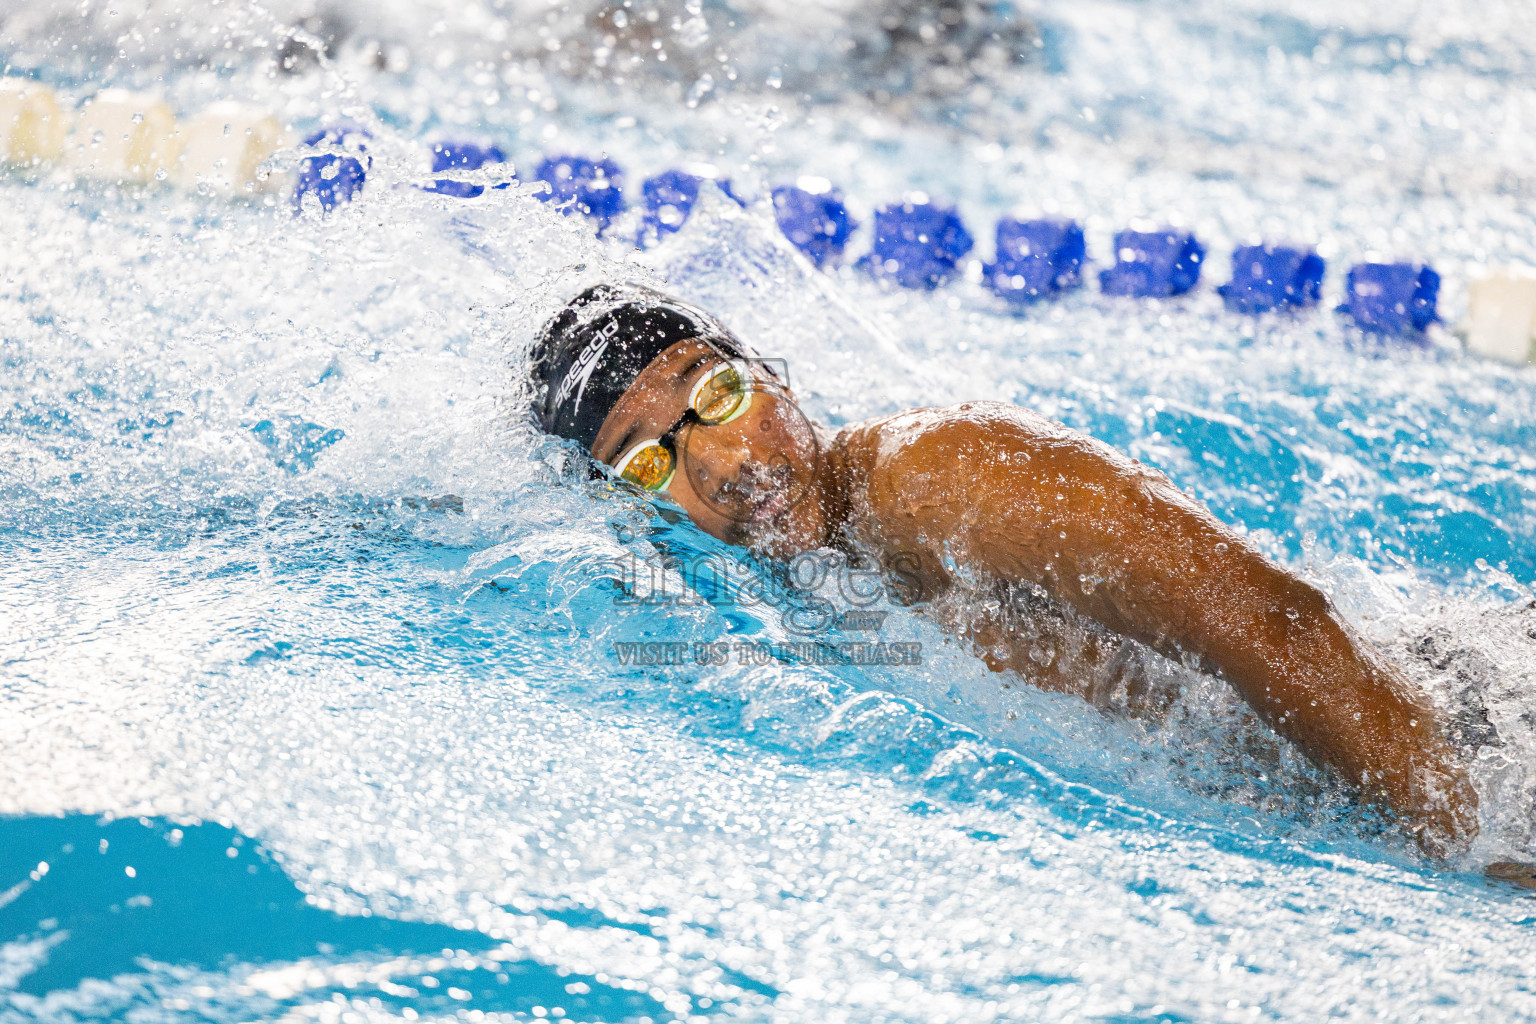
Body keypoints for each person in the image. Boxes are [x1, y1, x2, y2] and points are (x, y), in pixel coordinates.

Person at [529, 282, 1478, 860]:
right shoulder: (814, 566)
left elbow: (1276, 620)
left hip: (1464, 734)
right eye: (650, 462)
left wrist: (1466, 850)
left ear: (773, 376)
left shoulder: (942, 478)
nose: (723, 466)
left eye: (720, 396)